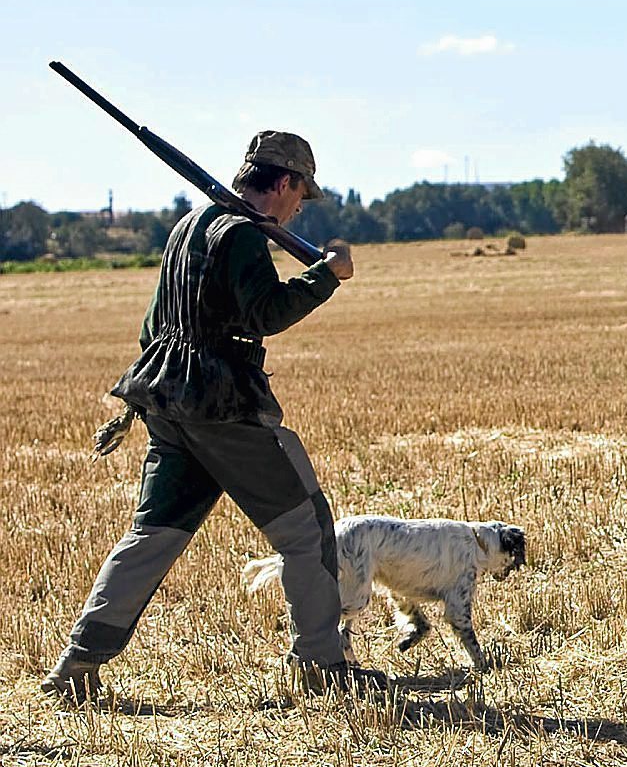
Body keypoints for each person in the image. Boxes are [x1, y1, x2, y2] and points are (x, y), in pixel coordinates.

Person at [40, 131, 386, 703]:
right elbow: (266, 313)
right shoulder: (243, 235)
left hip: (169, 406)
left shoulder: (188, 229)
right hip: (223, 410)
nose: (300, 207)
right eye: (302, 195)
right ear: (284, 183)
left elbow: (155, 325)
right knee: (307, 529)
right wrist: (327, 276)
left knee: (151, 536)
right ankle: (323, 664)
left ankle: (76, 666)